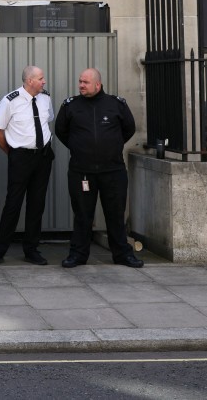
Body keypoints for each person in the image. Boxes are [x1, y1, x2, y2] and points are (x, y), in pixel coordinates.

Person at [54, 68, 144, 269]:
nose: (81, 86)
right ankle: (78, 255)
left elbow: (128, 129)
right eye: (80, 82)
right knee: (83, 215)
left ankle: (122, 255)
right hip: (81, 171)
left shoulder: (116, 104)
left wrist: (110, 147)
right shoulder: (71, 106)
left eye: (85, 82)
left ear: (97, 84)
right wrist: (79, 147)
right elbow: (60, 131)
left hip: (112, 171)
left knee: (115, 214)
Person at [0, 65, 55, 266]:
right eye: (41, 78)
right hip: (20, 158)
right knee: (13, 204)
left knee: (37, 204)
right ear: (29, 81)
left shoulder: (45, 98)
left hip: (42, 157)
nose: (44, 81)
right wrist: (12, 153)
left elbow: (46, 122)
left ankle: (31, 250)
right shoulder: (10, 101)